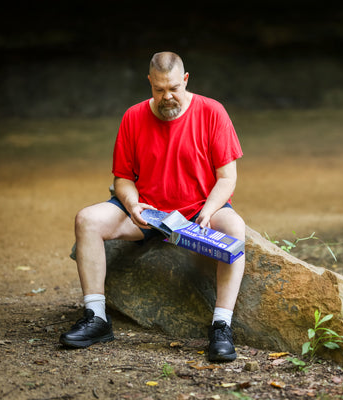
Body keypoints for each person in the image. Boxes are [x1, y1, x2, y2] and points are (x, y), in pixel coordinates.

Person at [59, 51, 246, 362]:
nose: (167, 96)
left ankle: (221, 327)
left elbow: (227, 177)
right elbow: (122, 178)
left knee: (235, 229)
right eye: (159, 89)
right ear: (149, 83)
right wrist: (132, 205)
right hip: (148, 213)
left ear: (185, 80)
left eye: (173, 88)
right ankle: (97, 319)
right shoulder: (133, 116)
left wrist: (209, 211)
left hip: (198, 212)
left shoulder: (213, 112)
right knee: (87, 219)